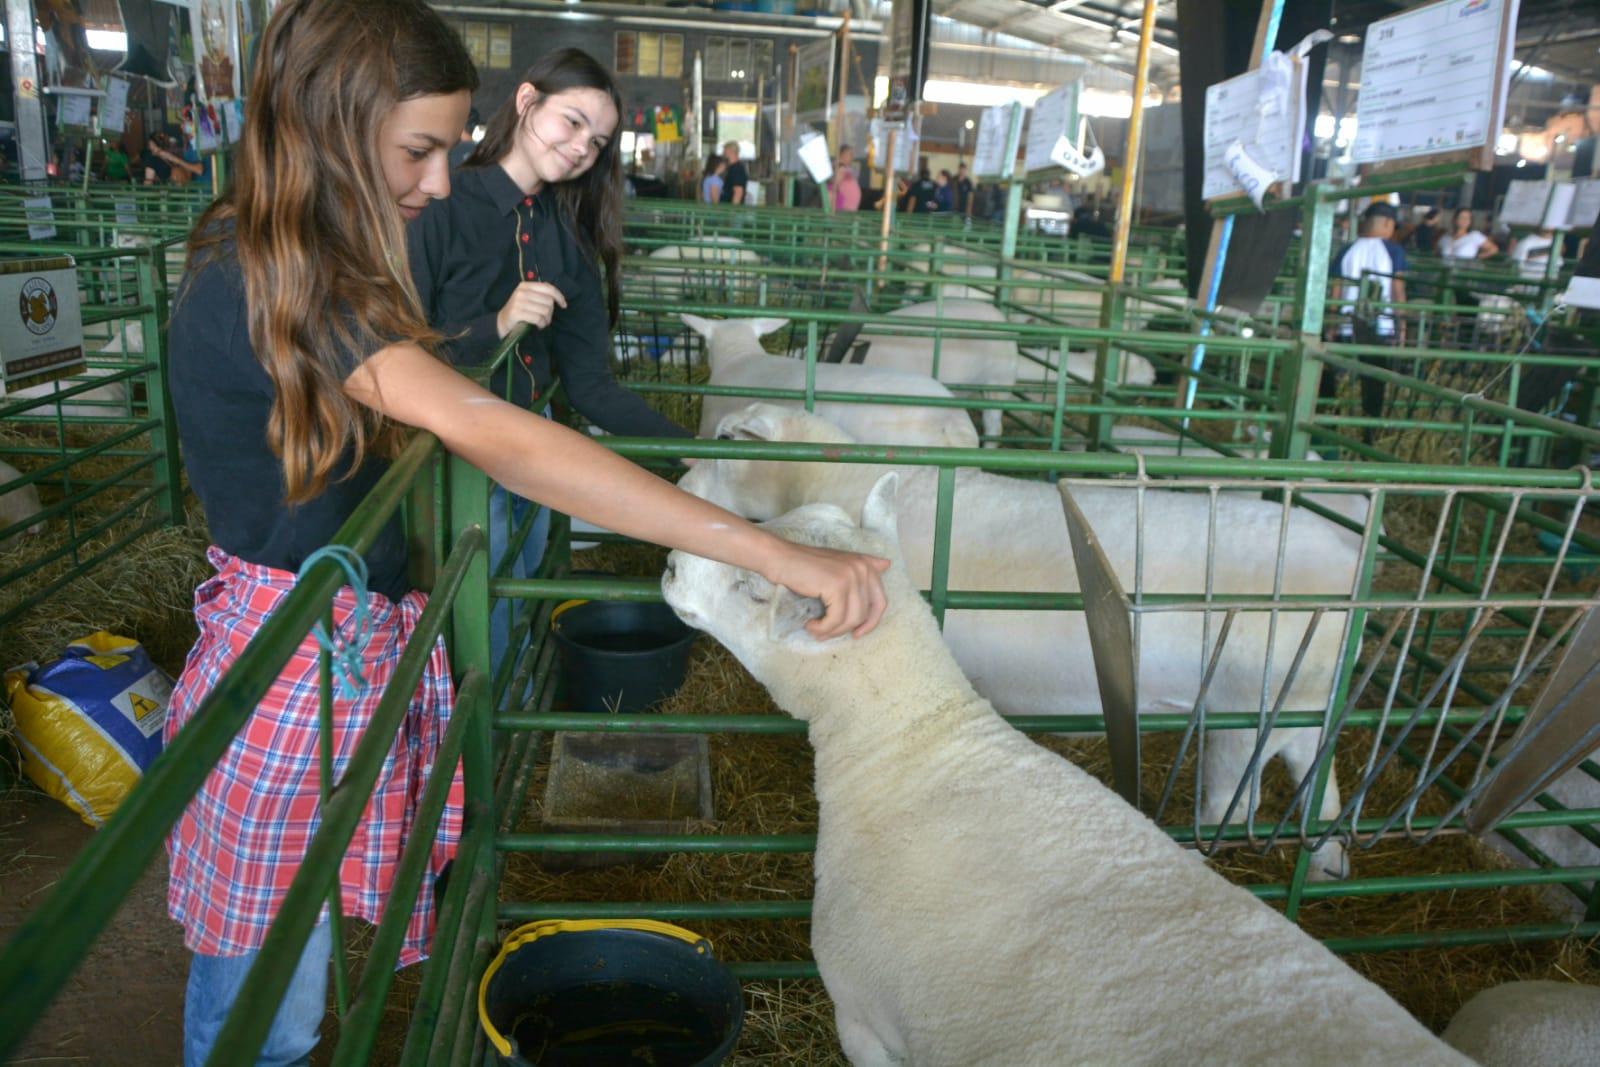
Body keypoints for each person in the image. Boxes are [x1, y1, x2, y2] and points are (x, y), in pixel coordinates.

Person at [165, 5, 888, 1066]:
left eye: (445, 152)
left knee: (289, 972)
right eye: (417, 149)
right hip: (291, 658)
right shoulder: (270, 273)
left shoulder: (310, 260)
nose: (440, 181)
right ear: (330, 122)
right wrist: (769, 547)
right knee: (265, 1004)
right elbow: (493, 430)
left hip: (349, 630)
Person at [409, 47, 717, 679]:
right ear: (526, 102)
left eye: (598, 140)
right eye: (572, 121)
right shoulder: (441, 205)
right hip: (455, 460)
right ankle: (482, 739)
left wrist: (692, 450)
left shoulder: (565, 235)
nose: (582, 147)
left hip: (536, 447)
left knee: (530, 591)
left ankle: (524, 711)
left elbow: (590, 385)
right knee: (482, 605)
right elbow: (395, 343)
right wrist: (493, 326)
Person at [1330, 201, 1408, 425]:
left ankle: (1337, 420)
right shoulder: (1394, 251)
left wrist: (1332, 322)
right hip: (1380, 327)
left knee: (1342, 378)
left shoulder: (1347, 249)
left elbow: (1336, 290)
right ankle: (1369, 425)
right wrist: (1401, 325)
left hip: (1346, 324)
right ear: (1387, 223)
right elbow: (1397, 290)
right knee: (1373, 380)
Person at [831, 144, 860, 212]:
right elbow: (834, 185)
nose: (852, 157)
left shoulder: (845, 168)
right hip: (843, 208)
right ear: (842, 155)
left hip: (848, 209)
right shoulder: (839, 168)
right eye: (850, 154)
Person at [719, 140, 748, 204]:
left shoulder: (737, 169)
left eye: (725, 150)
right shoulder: (731, 168)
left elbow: (738, 191)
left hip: (730, 209)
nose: (723, 153)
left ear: (730, 151)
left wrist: (733, 211)